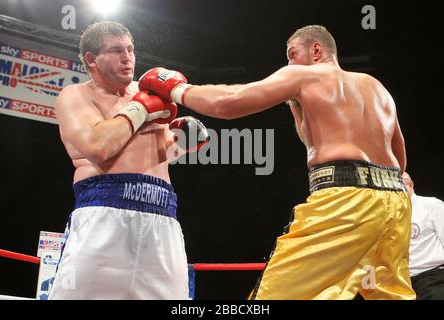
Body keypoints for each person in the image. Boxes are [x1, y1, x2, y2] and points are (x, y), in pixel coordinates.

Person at [138, 25, 416, 299]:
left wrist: (176, 89)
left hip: (345, 200)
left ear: (316, 50)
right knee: (390, 294)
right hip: (395, 203)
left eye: (293, 53)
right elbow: (398, 153)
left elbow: (227, 103)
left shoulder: (304, 76)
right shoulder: (375, 87)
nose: (289, 62)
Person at [48, 21, 208, 299]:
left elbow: (159, 154)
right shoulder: (76, 96)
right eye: (116, 50)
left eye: (130, 49)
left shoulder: (149, 94)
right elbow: (98, 146)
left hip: (162, 216)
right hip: (103, 212)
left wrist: (183, 140)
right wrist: (140, 109)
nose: (128, 57)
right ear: (91, 59)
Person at [403, 172, 444, 300]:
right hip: (402, 283)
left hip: (433, 278)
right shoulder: (389, 215)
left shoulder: (431, 205)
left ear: (410, 185)